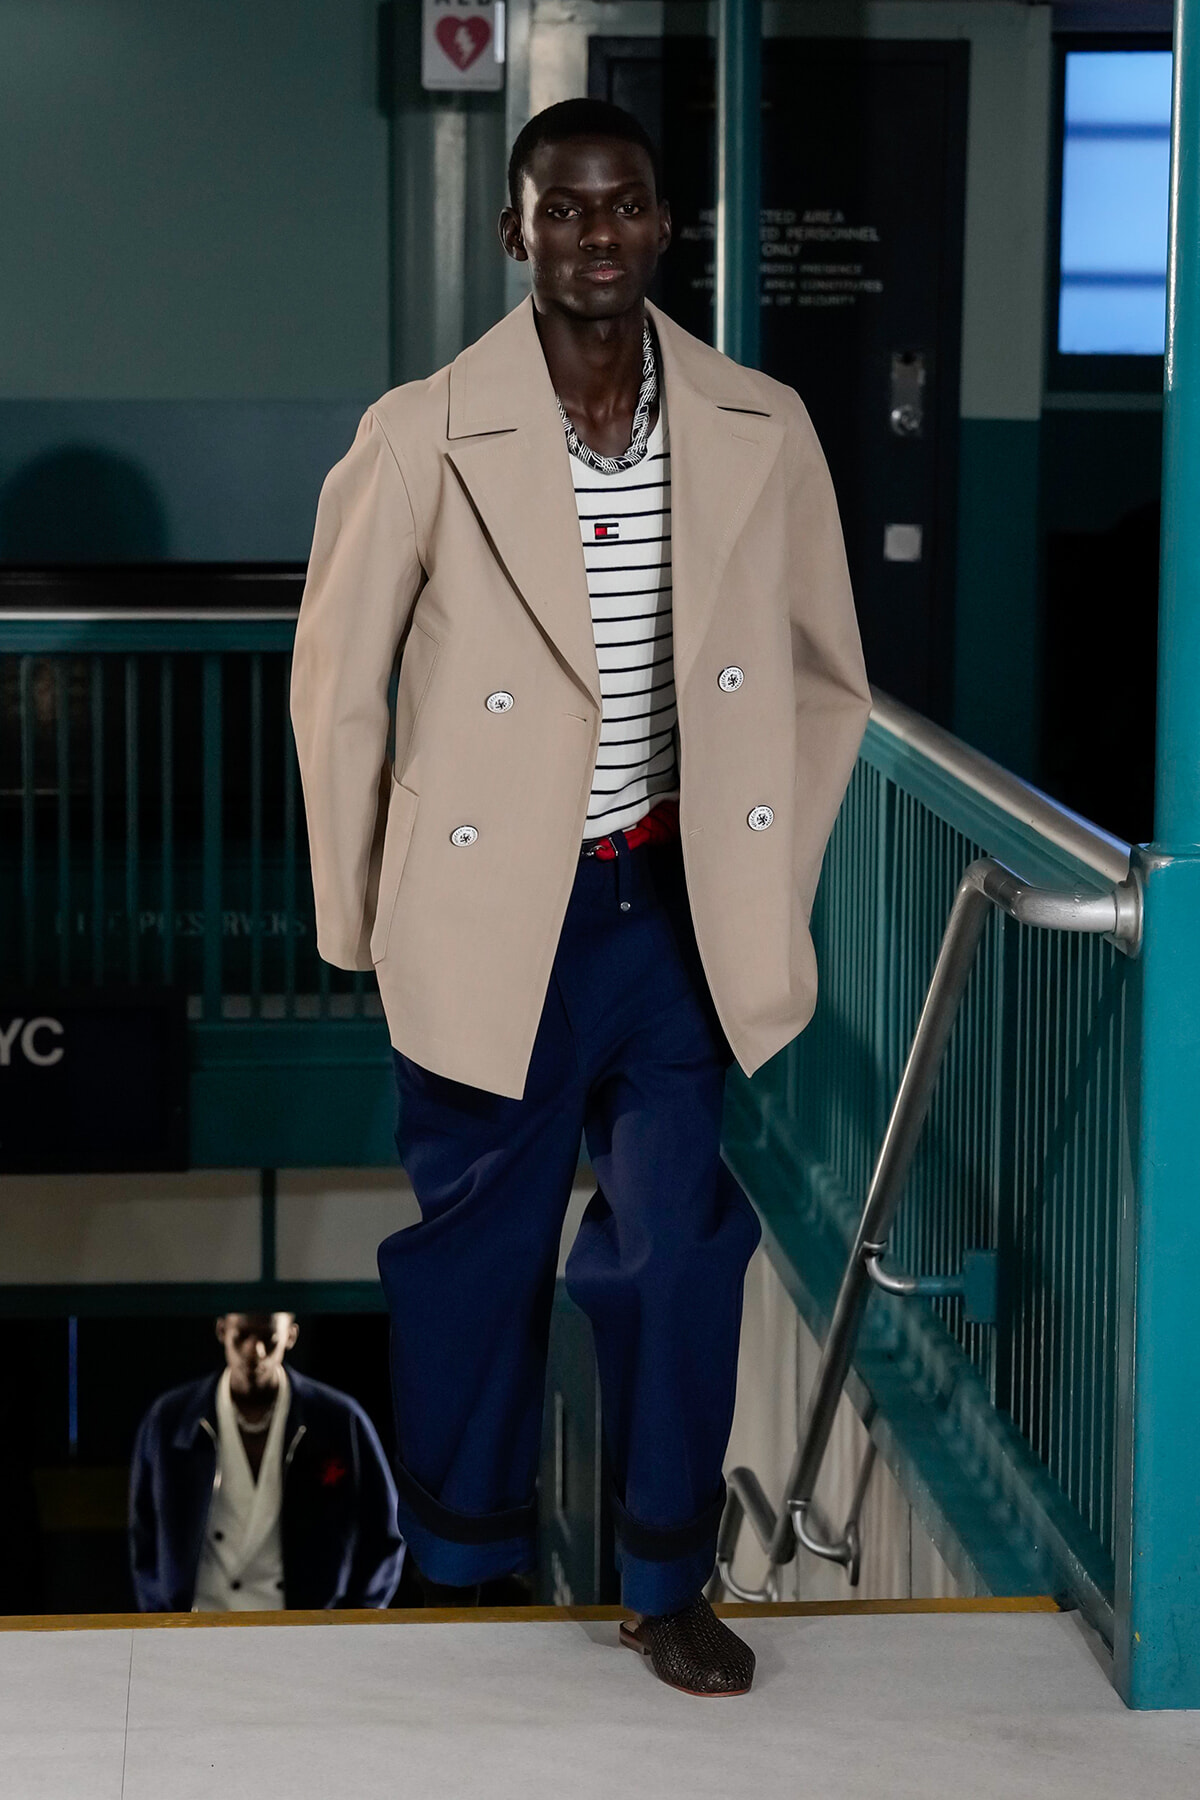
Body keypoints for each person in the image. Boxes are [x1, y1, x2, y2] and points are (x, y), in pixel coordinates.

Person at [290, 97, 870, 1694]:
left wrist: (768, 862)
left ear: (662, 229)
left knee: (678, 1246)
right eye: (562, 210)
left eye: (621, 209)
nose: (593, 236)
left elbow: (826, 676)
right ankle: (465, 1561)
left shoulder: (761, 421)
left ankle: (666, 1576)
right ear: (515, 233)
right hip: (494, 921)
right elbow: (336, 690)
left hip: (671, 910)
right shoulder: (423, 428)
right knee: (478, 1257)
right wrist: (356, 913)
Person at [129, 1312, 404, 1613]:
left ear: (290, 1336)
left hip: (306, 1625)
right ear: (222, 1330)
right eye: (242, 1335)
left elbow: (385, 1529)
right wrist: (159, 1622)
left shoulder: (338, 1419)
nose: (254, 1350)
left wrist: (356, 1619)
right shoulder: (171, 1419)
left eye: (268, 1338)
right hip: (199, 1621)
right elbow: (143, 1532)